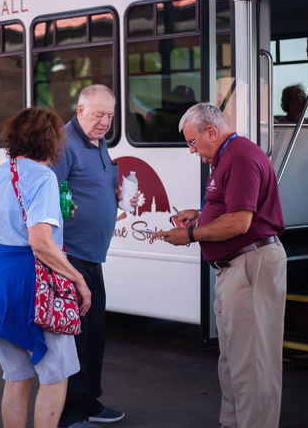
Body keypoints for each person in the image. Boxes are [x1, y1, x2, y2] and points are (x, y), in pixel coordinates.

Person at [155, 102, 286, 428]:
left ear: (211, 131)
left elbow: (241, 223)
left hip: (248, 263)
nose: (191, 150)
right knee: (233, 362)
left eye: (192, 142)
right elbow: (235, 210)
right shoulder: (228, 154)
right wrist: (200, 214)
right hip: (238, 266)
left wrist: (191, 234)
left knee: (252, 364)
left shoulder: (239, 157)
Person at [0, 106, 92, 428]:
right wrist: (78, 277)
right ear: (51, 142)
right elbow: (39, 241)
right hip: (31, 283)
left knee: (16, 375)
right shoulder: (44, 177)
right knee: (57, 373)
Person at [51, 84, 136, 428]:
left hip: (93, 254)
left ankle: (90, 402)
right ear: (80, 110)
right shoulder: (63, 144)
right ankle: (71, 413)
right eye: (99, 115)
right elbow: (51, 196)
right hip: (71, 256)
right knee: (76, 335)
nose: (105, 122)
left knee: (95, 331)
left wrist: (113, 195)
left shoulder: (99, 142)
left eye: (110, 116)